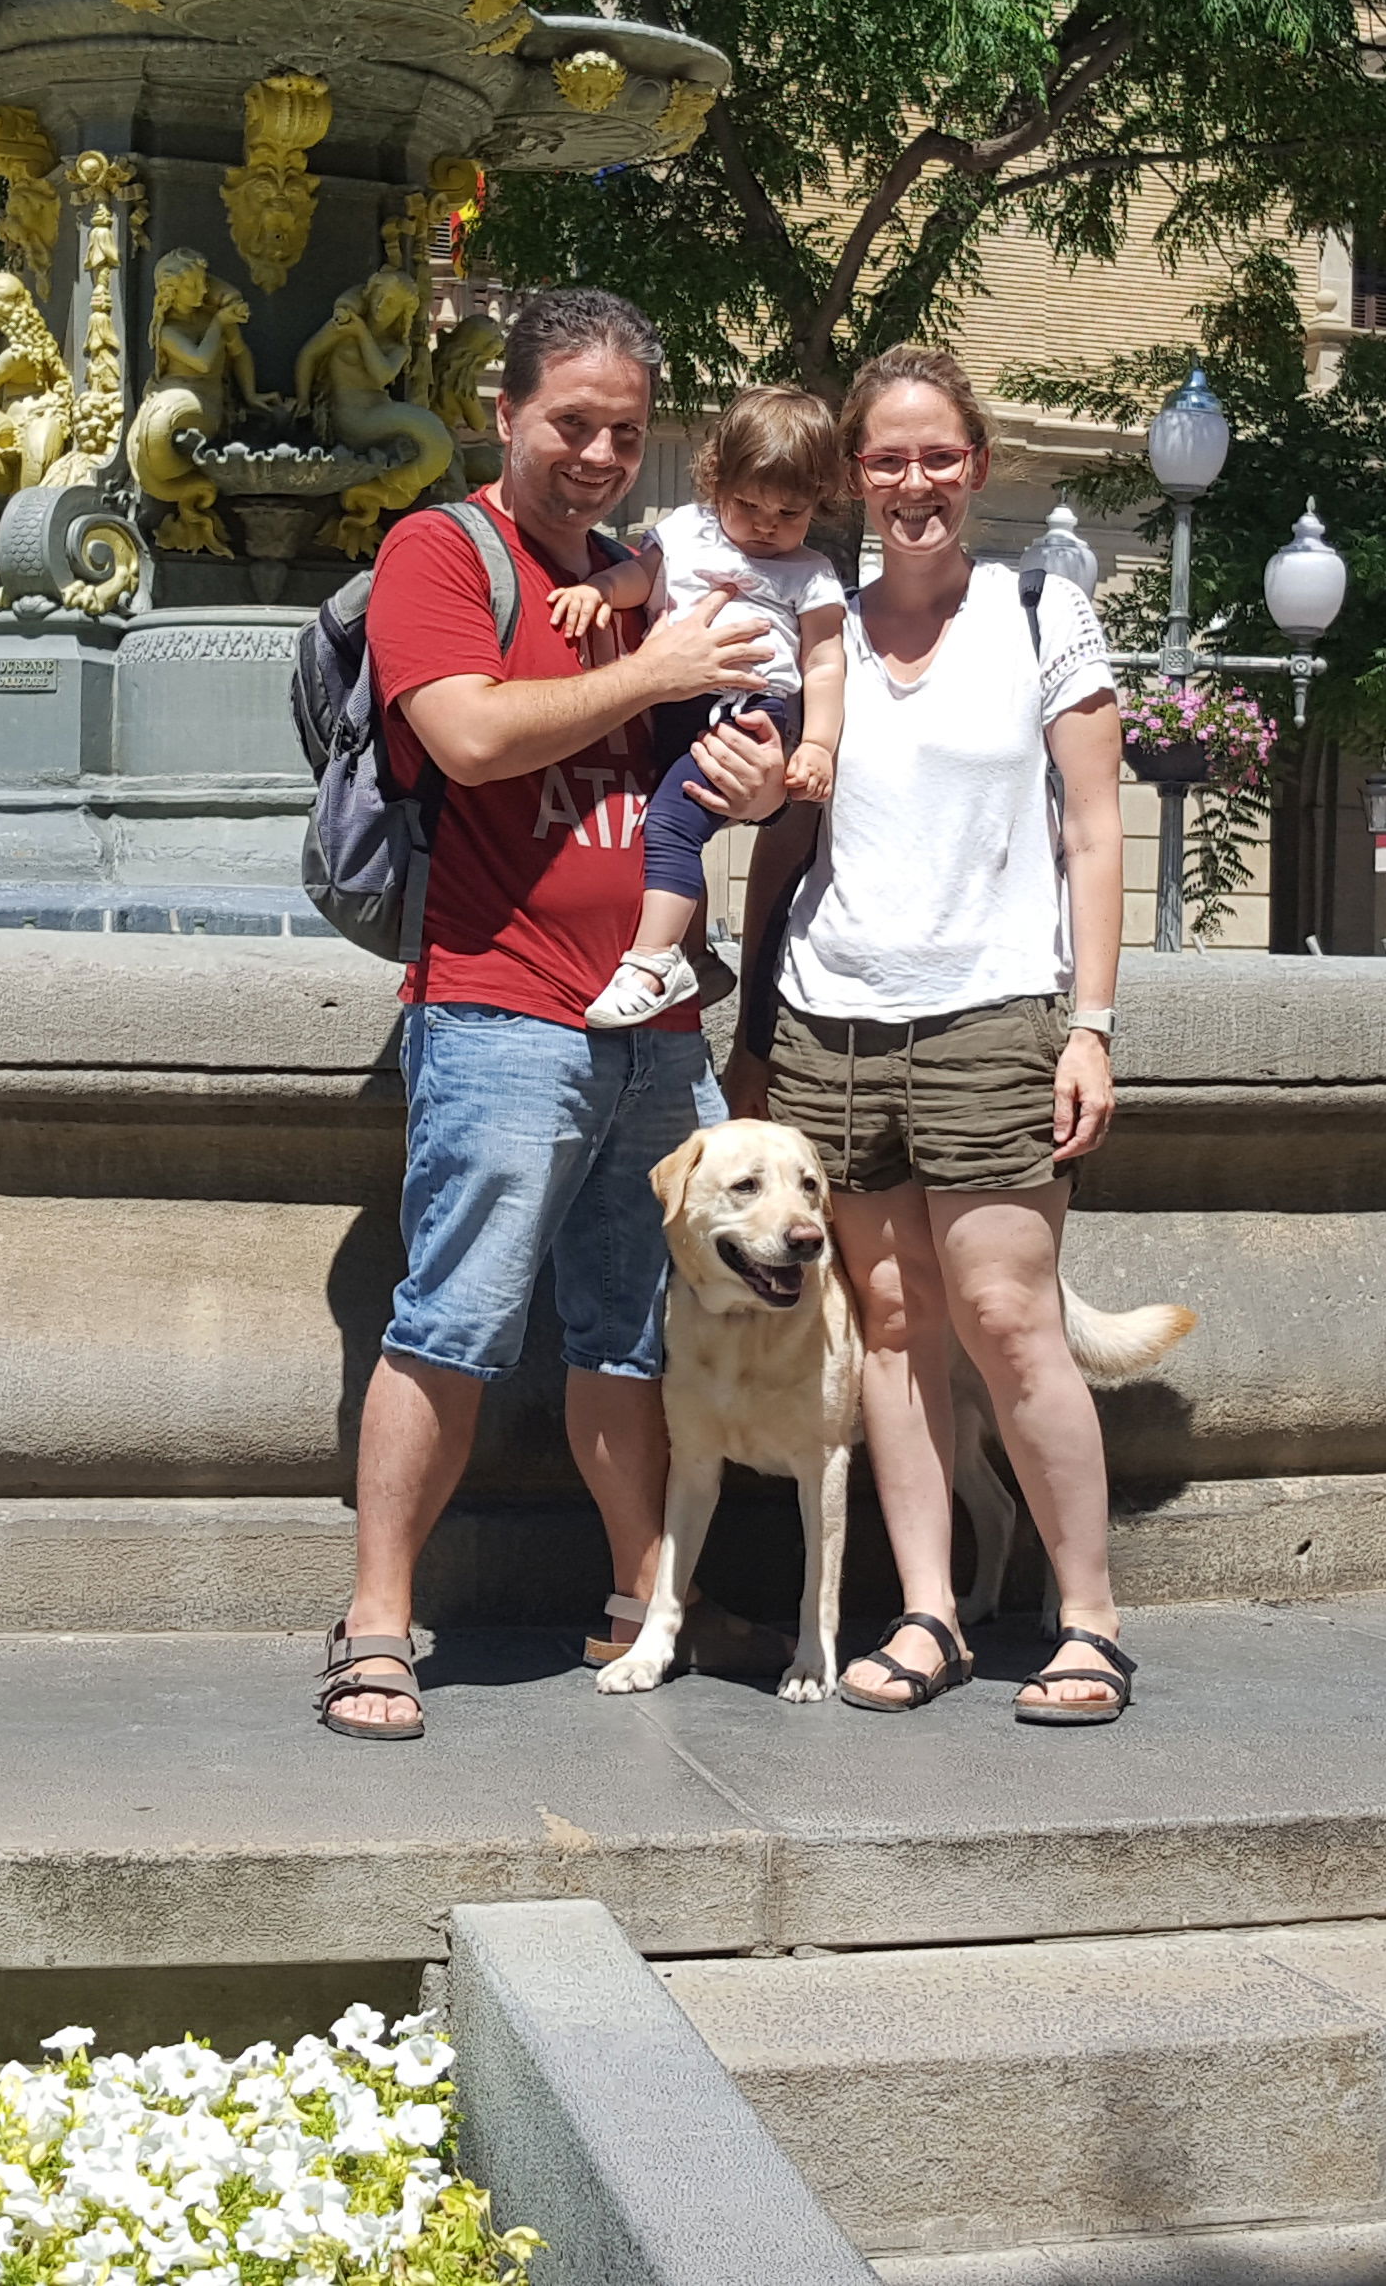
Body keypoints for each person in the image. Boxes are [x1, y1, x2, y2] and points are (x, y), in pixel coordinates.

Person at [320, 289, 789, 1742]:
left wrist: (761, 775)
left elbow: (690, 762)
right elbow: (463, 733)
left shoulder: (645, 581)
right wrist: (652, 671)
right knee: (451, 1318)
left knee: (634, 1331)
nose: (597, 454)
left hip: (655, 1027)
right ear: (506, 412)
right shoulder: (439, 554)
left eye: (626, 433)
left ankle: (643, 1598)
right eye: (572, 423)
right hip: (501, 1008)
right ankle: (379, 1623)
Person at [737, 344, 1141, 1728]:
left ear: (979, 464)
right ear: (855, 475)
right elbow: (785, 835)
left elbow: (1095, 831)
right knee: (895, 1331)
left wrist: (1088, 1027)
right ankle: (929, 1612)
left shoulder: (1040, 609)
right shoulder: (821, 628)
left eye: (940, 456)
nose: (916, 481)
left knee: (1011, 1320)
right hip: (832, 1019)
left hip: (989, 1014)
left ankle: (1087, 1617)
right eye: (888, 458)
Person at [563, 384, 852, 1030]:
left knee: (670, 825)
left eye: (790, 513)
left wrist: (817, 746)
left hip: (745, 710)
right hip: (671, 702)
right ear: (716, 480)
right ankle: (698, 951)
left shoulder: (809, 574)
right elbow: (643, 578)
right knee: (658, 822)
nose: (766, 526)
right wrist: (599, 590)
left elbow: (826, 664)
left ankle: (654, 960)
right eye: (747, 505)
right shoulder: (687, 530)